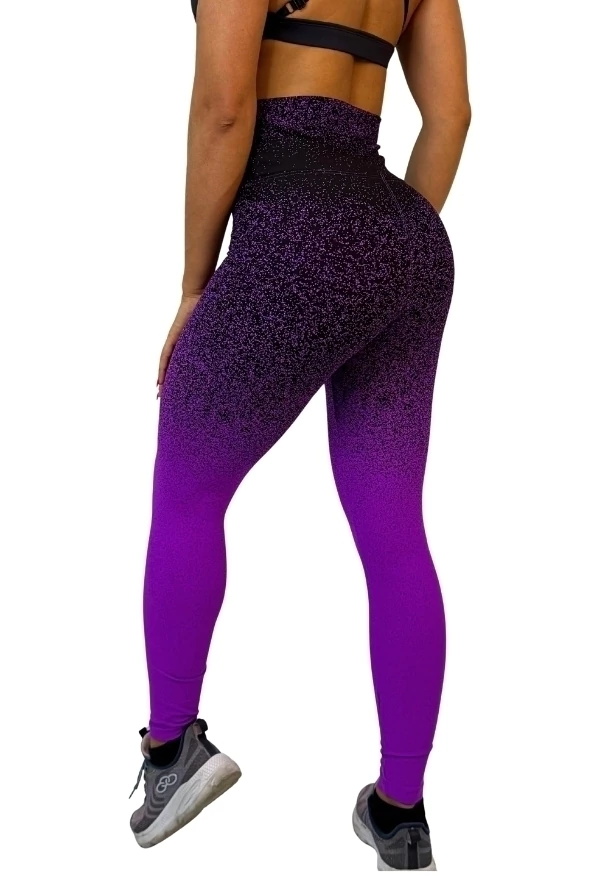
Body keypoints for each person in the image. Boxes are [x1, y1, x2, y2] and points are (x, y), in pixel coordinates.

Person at [128, 0, 470, 869]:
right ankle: (400, 810)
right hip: (406, 240)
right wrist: (376, 250)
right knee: (394, 533)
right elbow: (452, 116)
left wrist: (195, 286)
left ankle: (171, 751)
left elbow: (225, 109)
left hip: (295, 221)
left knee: (187, 491)